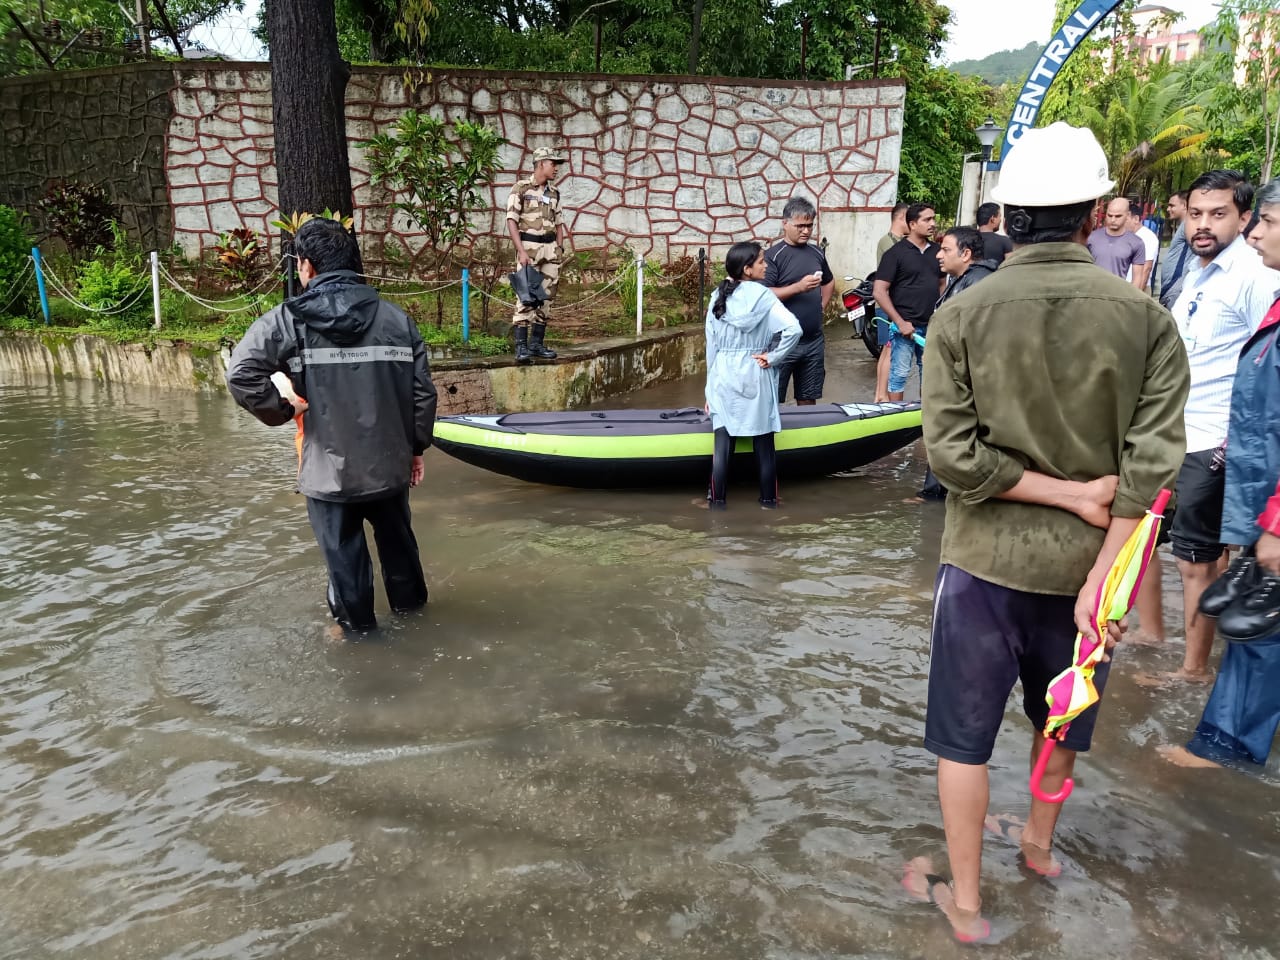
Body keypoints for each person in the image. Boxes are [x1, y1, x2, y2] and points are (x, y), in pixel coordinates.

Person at [904, 122, 1189, 943]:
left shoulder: (962, 315)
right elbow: (1151, 466)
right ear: (1097, 211)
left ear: (1007, 212)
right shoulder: (1146, 319)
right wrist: (1104, 564)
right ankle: (1037, 850)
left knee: (963, 738)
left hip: (983, 566)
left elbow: (953, 458)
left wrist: (1059, 494)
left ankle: (964, 904)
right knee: (1061, 717)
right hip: (1088, 578)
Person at [226, 218, 437, 633]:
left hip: (327, 472)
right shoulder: (397, 320)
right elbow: (422, 394)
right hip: (389, 465)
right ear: (353, 263)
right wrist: (415, 450)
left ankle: (359, 639)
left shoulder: (287, 321)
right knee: (399, 550)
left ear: (305, 266)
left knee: (344, 560)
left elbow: (241, 375)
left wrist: (285, 410)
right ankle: (415, 623)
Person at [1161, 176, 1280, 769]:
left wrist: (1234, 452)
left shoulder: (1258, 279)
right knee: (1204, 564)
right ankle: (1190, 669)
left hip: (1219, 445)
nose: (1203, 224)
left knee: (1204, 565)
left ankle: (1195, 679)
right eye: (1195, 214)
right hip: (1187, 436)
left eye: (1220, 214)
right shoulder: (1195, 273)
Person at [704, 242, 803, 509]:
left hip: (723, 373)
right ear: (747, 269)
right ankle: (769, 502)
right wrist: (772, 357)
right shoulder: (764, 297)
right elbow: (794, 329)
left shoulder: (717, 296)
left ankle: (716, 503)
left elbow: (711, 345)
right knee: (764, 444)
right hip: (754, 369)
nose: (766, 265)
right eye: (761, 261)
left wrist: (708, 389)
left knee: (722, 446)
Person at [763, 197, 834, 406]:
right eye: (800, 226)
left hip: (813, 340)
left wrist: (821, 306)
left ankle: (807, 436)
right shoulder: (773, 256)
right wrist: (798, 288)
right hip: (781, 340)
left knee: (808, 396)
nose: (806, 231)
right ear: (785, 223)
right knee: (772, 398)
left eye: (809, 225)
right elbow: (763, 294)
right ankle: (772, 437)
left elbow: (828, 282)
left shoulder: (816, 252)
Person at [506, 146, 572, 364]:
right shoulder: (521, 189)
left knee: (546, 299)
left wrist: (559, 249)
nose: (556, 168)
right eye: (553, 164)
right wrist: (521, 251)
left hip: (550, 251)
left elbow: (559, 223)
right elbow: (511, 221)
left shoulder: (554, 193)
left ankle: (536, 344)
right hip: (529, 250)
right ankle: (521, 347)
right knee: (525, 297)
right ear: (541, 163)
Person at [874, 203, 944, 401]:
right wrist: (899, 321)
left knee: (929, 376)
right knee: (899, 375)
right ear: (912, 224)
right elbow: (879, 291)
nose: (933, 224)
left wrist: (939, 315)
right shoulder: (895, 254)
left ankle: (925, 419)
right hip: (904, 327)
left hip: (931, 326)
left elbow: (941, 284)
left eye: (933, 219)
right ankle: (896, 420)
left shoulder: (938, 252)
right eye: (927, 220)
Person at [873, 202, 908, 402]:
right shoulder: (887, 242)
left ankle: (880, 394)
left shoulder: (896, 241)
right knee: (889, 350)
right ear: (901, 218)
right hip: (887, 305)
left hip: (892, 305)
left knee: (887, 350)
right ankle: (882, 394)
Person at [1087, 196, 1147, 286]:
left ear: (1127, 216)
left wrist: (1131, 298)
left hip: (1118, 295)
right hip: (1092, 293)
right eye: (1110, 215)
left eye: (1118, 216)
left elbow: (1137, 278)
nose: (1113, 220)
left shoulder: (1136, 243)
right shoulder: (1091, 238)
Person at [1160, 190, 1190, 309]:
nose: (1168, 209)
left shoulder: (1189, 225)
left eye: (1172, 205)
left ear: (1184, 206)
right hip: (1170, 288)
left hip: (1175, 287)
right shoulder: (1183, 226)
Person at [1126, 201, 1160, 292]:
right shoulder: (1128, 236)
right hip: (1125, 286)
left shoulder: (1148, 237)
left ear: (1136, 219)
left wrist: (1136, 295)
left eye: (1125, 219)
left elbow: (1146, 268)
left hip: (1139, 288)